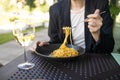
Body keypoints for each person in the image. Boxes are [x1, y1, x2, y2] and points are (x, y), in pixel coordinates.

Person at [34, 0, 114, 54]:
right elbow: (56, 42)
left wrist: (97, 33)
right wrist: (46, 45)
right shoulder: (55, 9)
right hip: (66, 62)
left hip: (93, 60)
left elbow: (108, 48)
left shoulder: (101, 5)